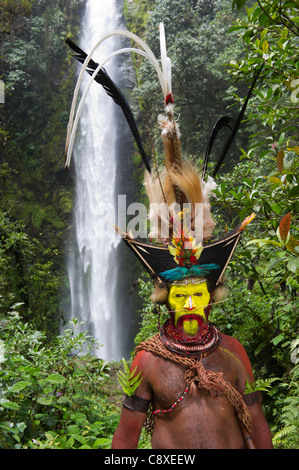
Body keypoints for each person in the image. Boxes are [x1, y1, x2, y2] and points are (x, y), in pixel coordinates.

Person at [112, 275, 273, 449]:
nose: (190, 305)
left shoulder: (233, 351)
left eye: (198, 294)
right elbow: (127, 436)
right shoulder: (147, 359)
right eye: (180, 296)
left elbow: (256, 422)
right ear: (166, 302)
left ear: (211, 299)